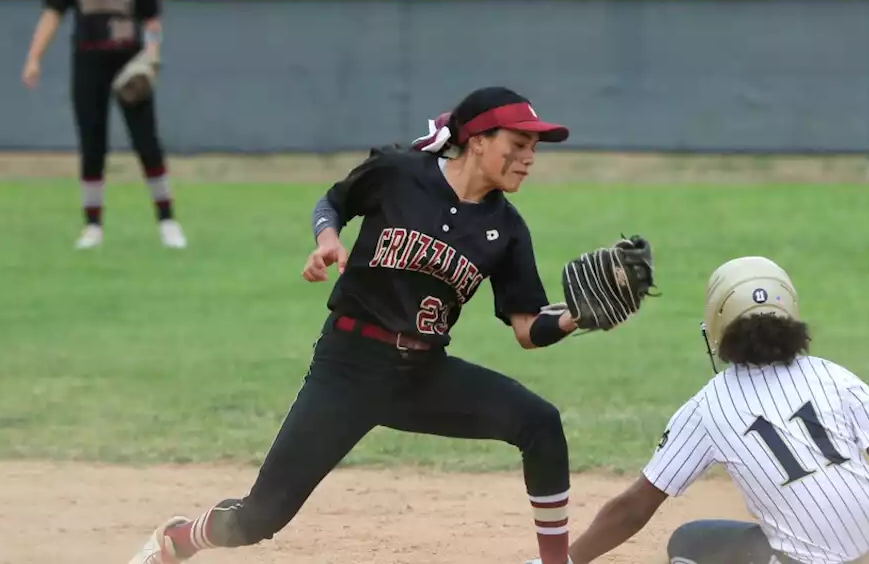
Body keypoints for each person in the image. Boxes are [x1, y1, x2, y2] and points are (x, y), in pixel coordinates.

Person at [126, 87, 652, 564]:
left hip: (423, 375)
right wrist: (327, 239)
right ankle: (180, 539)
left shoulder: (506, 230)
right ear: (476, 140)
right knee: (258, 519)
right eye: (518, 143)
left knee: (539, 423)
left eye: (535, 146)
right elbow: (333, 201)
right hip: (347, 370)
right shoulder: (400, 173)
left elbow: (526, 328)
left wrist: (574, 316)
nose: (530, 157)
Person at [537, 256, 869, 564]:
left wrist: (564, 562)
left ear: (715, 329)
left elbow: (633, 508)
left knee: (687, 541)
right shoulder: (833, 374)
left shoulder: (706, 408)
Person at [21, 0, 185, 250]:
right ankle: (92, 225)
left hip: (129, 66)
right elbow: (52, 15)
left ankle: (167, 220)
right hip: (89, 65)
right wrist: (34, 57)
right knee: (92, 144)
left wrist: (151, 54)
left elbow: (152, 21)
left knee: (148, 143)